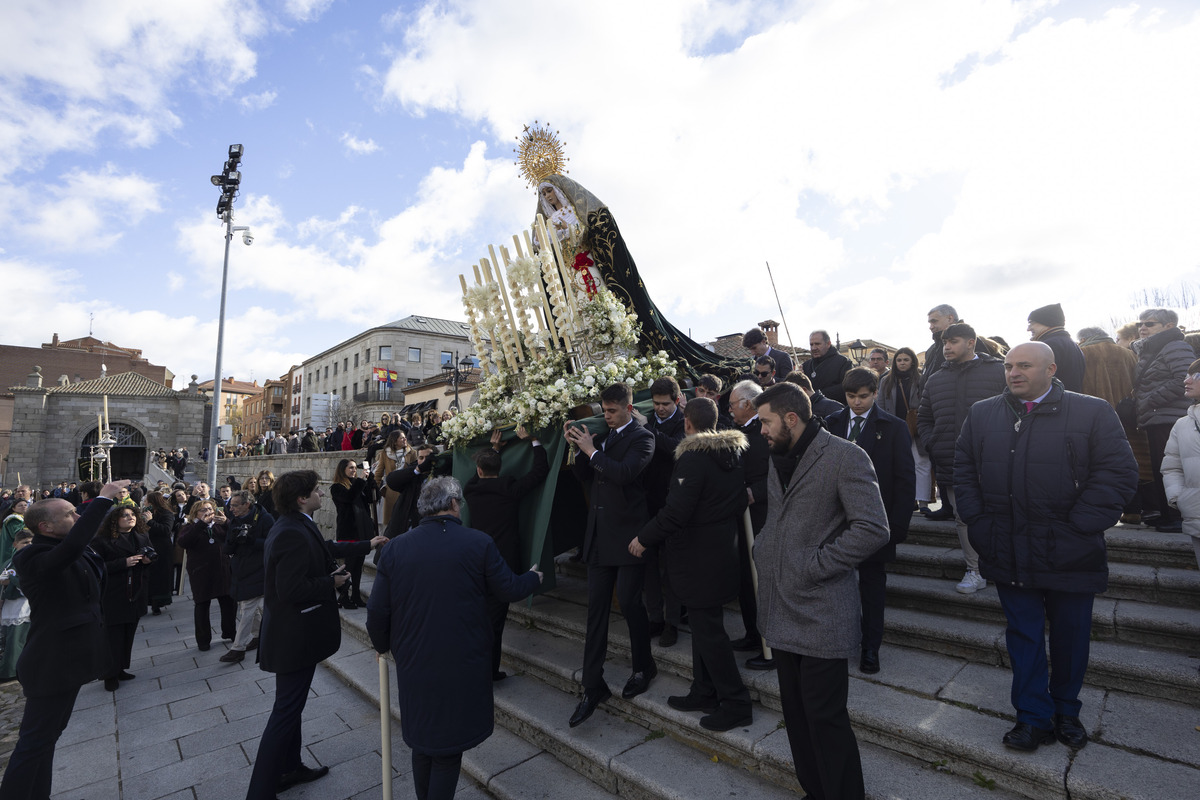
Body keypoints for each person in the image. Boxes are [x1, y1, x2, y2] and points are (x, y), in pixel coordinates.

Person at [954, 342, 1137, 751]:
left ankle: (1066, 711)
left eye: (1024, 365)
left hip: (1070, 550)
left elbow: (1119, 472)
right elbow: (963, 468)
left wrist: (1080, 526)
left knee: (1071, 637)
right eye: (1008, 366)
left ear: (1051, 368)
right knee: (1024, 636)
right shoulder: (983, 414)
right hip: (1008, 547)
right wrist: (980, 524)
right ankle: (1033, 717)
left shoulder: (1091, 411)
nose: (1013, 373)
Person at [751, 382, 889, 800]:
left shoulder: (846, 456)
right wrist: (764, 548)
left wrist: (816, 565)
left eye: (765, 421)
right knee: (795, 716)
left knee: (825, 717)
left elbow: (873, 528)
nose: (761, 430)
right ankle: (815, 790)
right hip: (780, 604)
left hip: (822, 610)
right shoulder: (778, 456)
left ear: (791, 418)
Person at [367, 477, 542, 800]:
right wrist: (534, 576)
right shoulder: (478, 542)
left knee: (423, 744)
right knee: (446, 752)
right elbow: (508, 589)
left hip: (415, 657)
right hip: (461, 658)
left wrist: (383, 646)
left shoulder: (396, 548)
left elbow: (377, 612)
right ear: (452, 505)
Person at [244, 470, 385, 800]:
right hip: (294, 638)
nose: (322, 492)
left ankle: (289, 768)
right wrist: (330, 583)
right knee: (285, 713)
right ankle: (260, 791)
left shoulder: (296, 524)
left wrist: (368, 543)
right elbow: (290, 589)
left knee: (290, 708)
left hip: (295, 636)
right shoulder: (290, 532)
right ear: (301, 498)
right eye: (316, 489)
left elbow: (324, 548)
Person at [629, 397, 752, 731]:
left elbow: (676, 511)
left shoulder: (694, 458)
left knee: (710, 632)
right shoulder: (732, 452)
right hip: (720, 553)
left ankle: (737, 701)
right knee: (702, 627)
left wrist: (644, 538)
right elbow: (741, 498)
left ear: (687, 423)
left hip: (700, 560)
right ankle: (704, 689)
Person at [0, 481, 125, 800]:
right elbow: (69, 551)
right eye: (70, 514)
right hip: (50, 663)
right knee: (33, 744)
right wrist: (102, 499)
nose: (77, 517)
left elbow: (83, 550)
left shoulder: (72, 545)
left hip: (70, 660)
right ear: (45, 527)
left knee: (47, 739)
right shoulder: (31, 557)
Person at [562, 382, 656, 728]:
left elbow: (623, 473)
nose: (607, 416)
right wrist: (576, 447)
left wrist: (591, 450)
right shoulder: (605, 438)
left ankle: (644, 666)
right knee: (596, 611)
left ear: (628, 409)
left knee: (631, 605)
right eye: (604, 411)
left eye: (612, 411)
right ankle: (592, 685)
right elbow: (586, 475)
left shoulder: (643, 438)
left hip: (630, 536)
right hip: (600, 538)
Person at [825, 368, 916, 675]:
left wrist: (898, 526)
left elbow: (905, 479)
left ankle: (870, 648)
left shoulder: (893, 427)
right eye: (851, 397)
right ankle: (838, 639)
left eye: (863, 397)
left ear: (875, 393)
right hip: (836, 522)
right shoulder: (832, 423)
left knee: (872, 588)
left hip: (875, 521)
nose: (857, 403)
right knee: (836, 585)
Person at [916, 322, 1006, 592]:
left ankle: (1004, 566)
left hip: (996, 459)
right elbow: (924, 418)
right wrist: (933, 442)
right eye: (945, 343)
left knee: (1002, 513)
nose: (946, 347)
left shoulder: (998, 371)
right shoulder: (935, 378)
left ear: (971, 342)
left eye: (953, 341)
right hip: (951, 458)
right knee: (962, 516)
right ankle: (974, 570)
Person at [462, 427, 549, 681]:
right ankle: (488, 671)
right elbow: (539, 472)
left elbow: (476, 478)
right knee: (495, 621)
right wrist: (534, 441)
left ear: (479, 470)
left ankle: (480, 668)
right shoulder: (509, 488)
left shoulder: (471, 490)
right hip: (503, 562)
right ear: (500, 469)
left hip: (476, 563)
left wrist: (494, 449)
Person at [1133, 308, 1195, 533]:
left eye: (1149, 323)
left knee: (1174, 469)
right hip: (1156, 416)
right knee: (1163, 468)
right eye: (1140, 323)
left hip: (1169, 417)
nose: (1142, 327)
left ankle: (1178, 517)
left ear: (1168, 326)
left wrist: (1151, 400)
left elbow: (1184, 378)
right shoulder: (1152, 349)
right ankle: (1167, 514)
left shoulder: (1175, 346)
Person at [726, 380, 773, 670]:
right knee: (745, 575)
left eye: (732, 404)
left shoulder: (766, 429)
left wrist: (756, 491)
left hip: (761, 515)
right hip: (739, 515)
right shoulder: (737, 432)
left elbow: (780, 471)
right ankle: (753, 633)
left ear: (747, 404)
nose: (729, 409)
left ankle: (772, 644)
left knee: (762, 578)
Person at [641, 376, 687, 647]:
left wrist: (648, 430)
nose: (660, 408)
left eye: (665, 404)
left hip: (671, 504)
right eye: (656, 403)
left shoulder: (682, 423)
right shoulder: (646, 418)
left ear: (677, 401)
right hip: (647, 503)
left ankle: (672, 623)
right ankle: (655, 617)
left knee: (671, 568)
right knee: (649, 566)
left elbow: (676, 449)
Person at [90, 506, 152, 691]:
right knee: (112, 636)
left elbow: (150, 557)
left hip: (136, 592)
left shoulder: (141, 536)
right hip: (114, 593)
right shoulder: (102, 541)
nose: (130, 518)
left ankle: (121, 667)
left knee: (128, 634)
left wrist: (149, 561)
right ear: (115, 520)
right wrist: (122, 563)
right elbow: (96, 566)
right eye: (125, 515)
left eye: (133, 515)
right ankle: (109, 674)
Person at [220, 490, 273, 664]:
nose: (231, 508)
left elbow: (274, 544)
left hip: (259, 569)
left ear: (246, 505)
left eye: (235, 505)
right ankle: (258, 635)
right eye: (230, 505)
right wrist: (232, 541)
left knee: (248, 608)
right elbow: (228, 548)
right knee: (246, 606)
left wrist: (251, 540)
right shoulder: (235, 520)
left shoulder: (265, 519)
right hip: (240, 570)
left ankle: (238, 648)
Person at [877, 346, 933, 512]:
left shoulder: (921, 379)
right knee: (898, 465)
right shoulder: (885, 380)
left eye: (906, 360)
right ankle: (906, 501)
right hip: (895, 427)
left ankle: (922, 501)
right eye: (899, 360)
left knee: (921, 463)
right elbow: (880, 405)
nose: (902, 363)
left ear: (912, 362)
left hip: (916, 427)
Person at [177, 499, 237, 651]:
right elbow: (184, 542)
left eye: (210, 509)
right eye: (203, 510)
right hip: (201, 571)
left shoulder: (218, 526)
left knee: (229, 602)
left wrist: (227, 522)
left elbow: (233, 538)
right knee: (202, 605)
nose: (208, 512)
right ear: (195, 513)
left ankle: (229, 632)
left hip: (222, 570)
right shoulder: (191, 527)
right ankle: (203, 640)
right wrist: (201, 524)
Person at [1162, 359, 1200, 576]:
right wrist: (1179, 497)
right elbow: (1171, 466)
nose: (1186, 380)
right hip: (1197, 515)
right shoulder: (1182, 424)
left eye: (1195, 375)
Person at [330, 458, 373, 609]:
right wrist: (360, 481)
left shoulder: (357, 483)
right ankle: (343, 596)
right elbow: (349, 498)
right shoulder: (337, 487)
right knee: (349, 565)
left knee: (359, 564)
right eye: (351, 468)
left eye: (355, 468)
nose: (354, 470)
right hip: (348, 531)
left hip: (361, 529)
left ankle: (355, 594)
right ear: (342, 470)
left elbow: (369, 499)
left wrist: (369, 479)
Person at [1027, 303, 1086, 392]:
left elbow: (1039, 383)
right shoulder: (1070, 343)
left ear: (1047, 321)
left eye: (1032, 323)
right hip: (1069, 401)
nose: (1028, 328)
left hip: (1052, 404)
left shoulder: (1048, 346)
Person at [0, 528, 33, 682]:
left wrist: (11, 581)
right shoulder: (9, 562)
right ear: (15, 544)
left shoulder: (32, 559)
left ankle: (15, 669)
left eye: (31, 542)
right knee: (12, 640)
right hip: (11, 605)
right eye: (25, 542)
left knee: (20, 639)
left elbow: (29, 583)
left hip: (25, 604)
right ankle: (10, 670)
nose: (28, 544)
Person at [143, 490, 176, 615]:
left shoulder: (166, 513)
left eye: (147, 501)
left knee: (160, 577)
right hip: (149, 547)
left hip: (162, 550)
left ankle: (157, 604)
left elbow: (166, 530)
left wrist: (150, 521)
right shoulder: (147, 512)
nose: (145, 503)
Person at [801, 330, 852, 406]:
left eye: (817, 344)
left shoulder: (843, 362)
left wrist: (816, 395)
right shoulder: (806, 365)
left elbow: (847, 387)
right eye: (811, 345)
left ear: (828, 344)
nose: (814, 348)